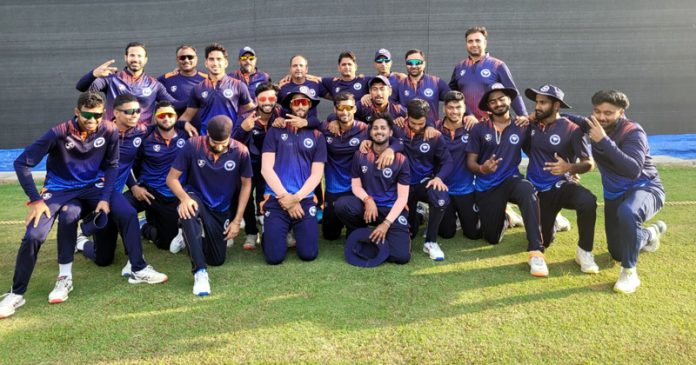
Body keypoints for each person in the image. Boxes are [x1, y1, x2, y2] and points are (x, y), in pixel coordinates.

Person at [0, 92, 167, 319]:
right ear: (77, 112)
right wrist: (36, 200)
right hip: (58, 189)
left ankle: (138, 268)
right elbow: (22, 163)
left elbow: (112, 165)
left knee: (127, 212)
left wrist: (105, 198)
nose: (93, 120)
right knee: (34, 235)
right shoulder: (58, 132)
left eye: (97, 115)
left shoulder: (108, 130)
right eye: (87, 115)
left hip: (93, 186)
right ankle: (16, 294)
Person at [563, 90, 666, 293]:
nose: (601, 117)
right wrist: (531, 116)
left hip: (645, 188)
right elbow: (567, 118)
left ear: (621, 112)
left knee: (628, 212)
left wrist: (603, 140)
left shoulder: (633, 132)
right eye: (597, 111)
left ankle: (629, 273)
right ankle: (650, 233)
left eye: (608, 113)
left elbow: (632, 169)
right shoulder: (595, 124)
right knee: (617, 252)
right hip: (614, 195)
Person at [465, 83, 548, 277]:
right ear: (488, 107)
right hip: (487, 186)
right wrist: (482, 168)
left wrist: (567, 170)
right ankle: (507, 216)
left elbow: (537, 152)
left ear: (510, 100)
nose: (498, 103)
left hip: (511, 179)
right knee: (491, 238)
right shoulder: (479, 128)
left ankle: (536, 251)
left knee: (527, 190)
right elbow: (470, 162)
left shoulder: (522, 126)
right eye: (492, 101)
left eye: (502, 98)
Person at [166, 115, 252, 296]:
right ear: (207, 135)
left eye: (224, 142)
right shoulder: (193, 145)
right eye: (215, 142)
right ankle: (200, 272)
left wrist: (237, 220)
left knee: (217, 259)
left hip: (220, 209)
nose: (219, 147)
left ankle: (188, 236)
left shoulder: (241, 151)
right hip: (195, 197)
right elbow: (171, 179)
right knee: (189, 211)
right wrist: (184, 198)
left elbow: (246, 185)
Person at [524, 85, 599, 274]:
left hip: (560, 186)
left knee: (588, 201)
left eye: (543, 102)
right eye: (537, 102)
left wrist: (569, 168)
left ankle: (584, 252)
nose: (537, 107)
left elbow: (589, 163)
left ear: (556, 105)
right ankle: (555, 220)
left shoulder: (572, 129)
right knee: (544, 241)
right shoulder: (531, 125)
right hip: (536, 190)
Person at [260, 87, 326, 264]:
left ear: (310, 105)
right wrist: (286, 199)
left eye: (304, 102)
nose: (300, 106)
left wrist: (296, 198)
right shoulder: (276, 129)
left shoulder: (318, 135)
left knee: (308, 254)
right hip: (277, 198)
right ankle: (272, 231)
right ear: (290, 105)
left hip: (303, 199)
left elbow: (317, 174)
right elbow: (266, 169)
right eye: (296, 102)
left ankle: (290, 229)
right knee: (274, 258)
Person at [334, 113, 411, 265]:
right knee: (342, 205)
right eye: (375, 128)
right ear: (370, 132)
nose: (379, 131)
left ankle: (390, 233)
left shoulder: (401, 160)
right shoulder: (360, 154)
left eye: (383, 128)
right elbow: (355, 186)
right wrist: (368, 200)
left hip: (390, 209)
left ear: (390, 132)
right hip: (369, 207)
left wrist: (386, 224)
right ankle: (360, 230)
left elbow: (402, 198)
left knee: (401, 257)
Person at [129, 101, 189, 252]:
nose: (166, 118)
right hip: (149, 191)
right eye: (162, 115)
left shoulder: (187, 135)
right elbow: (130, 165)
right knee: (119, 206)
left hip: (173, 193)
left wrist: (184, 124)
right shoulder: (145, 136)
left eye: (170, 115)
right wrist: (135, 185)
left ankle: (145, 226)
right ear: (155, 118)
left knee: (166, 243)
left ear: (176, 117)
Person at [400, 99, 453, 261]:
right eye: (413, 123)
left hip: (424, 182)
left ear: (427, 119)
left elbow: (448, 161)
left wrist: (439, 177)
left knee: (441, 198)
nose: (416, 127)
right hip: (402, 187)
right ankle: (418, 215)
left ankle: (430, 241)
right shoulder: (396, 129)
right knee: (410, 233)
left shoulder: (434, 135)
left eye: (421, 123)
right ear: (406, 116)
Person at [232, 82, 283, 250]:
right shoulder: (246, 117)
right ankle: (251, 232)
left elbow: (308, 120)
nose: (267, 102)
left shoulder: (281, 114)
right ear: (256, 100)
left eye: (271, 98)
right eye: (263, 98)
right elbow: (231, 143)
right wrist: (244, 130)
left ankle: (270, 228)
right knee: (246, 199)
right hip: (249, 166)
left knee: (267, 198)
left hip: (272, 167)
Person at [76, 42, 180, 123]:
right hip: (113, 135)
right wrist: (93, 74)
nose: (135, 59)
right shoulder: (111, 78)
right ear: (126, 57)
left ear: (145, 60)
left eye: (139, 56)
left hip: (141, 137)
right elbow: (82, 87)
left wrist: (195, 94)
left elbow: (175, 105)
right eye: (132, 55)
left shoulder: (154, 84)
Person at [449, 26, 528, 122]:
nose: (474, 44)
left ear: (485, 43)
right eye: (470, 41)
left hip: (491, 125)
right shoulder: (459, 67)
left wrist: (523, 115)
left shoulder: (498, 65)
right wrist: (466, 113)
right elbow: (452, 95)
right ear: (466, 44)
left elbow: (513, 93)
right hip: (466, 124)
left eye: (478, 41)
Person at [179, 43, 255, 136]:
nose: (215, 63)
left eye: (219, 59)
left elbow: (252, 111)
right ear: (206, 63)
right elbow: (185, 117)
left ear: (225, 63)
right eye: (211, 59)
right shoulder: (197, 89)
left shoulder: (238, 85)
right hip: (206, 142)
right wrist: (185, 124)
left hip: (231, 140)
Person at [436, 91, 481, 241]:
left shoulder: (474, 129)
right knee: (446, 234)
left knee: (473, 234)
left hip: (466, 189)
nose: (454, 111)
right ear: (444, 109)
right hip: (444, 189)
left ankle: (505, 216)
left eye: (458, 107)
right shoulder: (435, 129)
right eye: (450, 107)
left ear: (464, 108)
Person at [392, 49, 450, 123]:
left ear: (424, 63)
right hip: (407, 132)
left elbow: (453, 100)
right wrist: (397, 116)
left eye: (417, 62)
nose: (413, 66)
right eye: (409, 63)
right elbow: (390, 104)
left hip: (431, 131)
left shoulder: (436, 82)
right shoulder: (399, 84)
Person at [157, 45, 208, 117]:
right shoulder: (166, 79)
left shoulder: (207, 79)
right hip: (175, 126)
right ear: (177, 60)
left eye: (190, 57)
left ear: (196, 59)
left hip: (203, 126)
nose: (186, 60)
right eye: (182, 58)